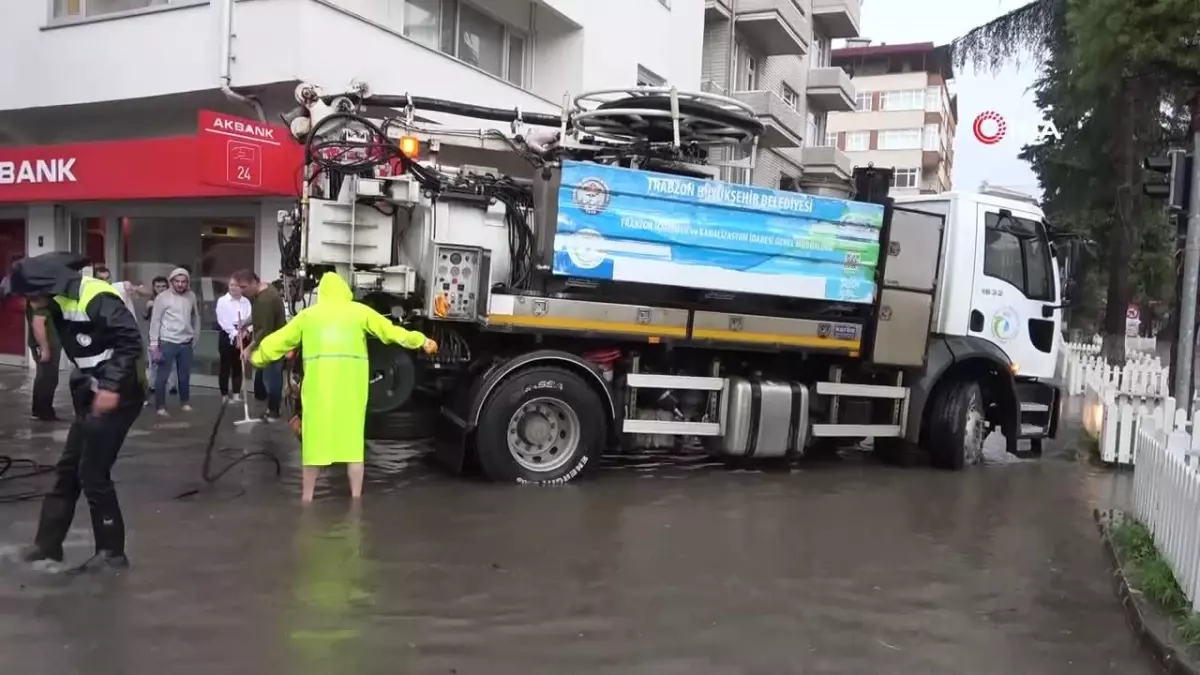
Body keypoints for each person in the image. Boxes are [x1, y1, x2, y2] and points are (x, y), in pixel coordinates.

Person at [9, 252, 144, 570]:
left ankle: (112, 553)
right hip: (91, 392)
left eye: (30, 295)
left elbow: (129, 342)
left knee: (93, 473)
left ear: (45, 286)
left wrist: (110, 387)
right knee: (68, 470)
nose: (29, 302)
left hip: (120, 393)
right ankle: (47, 545)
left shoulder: (96, 296)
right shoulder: (56, 300)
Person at [250, 272, 437, 503]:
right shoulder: (359, 313)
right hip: (351, 393)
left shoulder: (309, 316)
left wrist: (256, 357)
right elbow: (391, 332)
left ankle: (307, 500)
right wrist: (422, 341)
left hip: (319, 395)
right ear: (344, 291)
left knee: (314, 449)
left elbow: (278, 341)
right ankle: (356, 500)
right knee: (353, 449)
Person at [231, 269, 288, 422]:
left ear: (254, 282)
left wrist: (248, 348)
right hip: (268, 342)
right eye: (239, 287)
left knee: (272, 379)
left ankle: (274, 412)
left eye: (244, 287)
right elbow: (258, 316)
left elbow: (264, 330)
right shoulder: (263, 290)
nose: (241, 291)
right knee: (265, 378)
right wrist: (245, 323)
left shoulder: (265, 299)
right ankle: (270, 408)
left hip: (273, 344)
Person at [148, 267, 200, 416]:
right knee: (162, 376)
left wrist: (195, 336)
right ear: (171, 281)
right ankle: (160, 407)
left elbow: (196, 316)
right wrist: (154, 343)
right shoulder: (162, 297)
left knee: (184, 376)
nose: (180, 284)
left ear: (187, 282)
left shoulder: (191, 296)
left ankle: (185, 402)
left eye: (183, 281)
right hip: (167, 341)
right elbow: (155, 321)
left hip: (186, 343)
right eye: (177, 281)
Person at [215, 277, 252, 402]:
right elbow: (222, 320)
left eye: (237, 285)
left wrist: (246, 331)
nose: (234, 287)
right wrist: (236, 333)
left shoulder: (246, 301)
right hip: (228, 334)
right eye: (231, 285)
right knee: (225, 366)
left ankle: (236, 394)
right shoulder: (222, 301)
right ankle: (224, 395)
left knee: (238, 365)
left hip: (243, 333)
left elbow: (251, 318)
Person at [26, 292, 61, 421]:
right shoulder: (41, 300)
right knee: (48, 378)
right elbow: (38, 324)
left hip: (46, 344)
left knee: (45, 377)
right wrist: (45, 348)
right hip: (45, 344)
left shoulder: (39, 297)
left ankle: (40, 410)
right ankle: (43, 412)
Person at [143, 276, 176, 395]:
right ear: (153, 287)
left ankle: (172, 386)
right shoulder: (152, 300)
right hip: (155, 337)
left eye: (163, 286)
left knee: (171, 363)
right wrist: (148, 308)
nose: (161, 289)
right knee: (154, 363)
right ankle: (152, 385)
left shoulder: (172, 299)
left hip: (170, 336)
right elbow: (146, 317)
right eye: (158, 287)